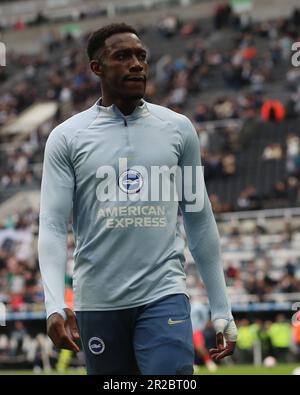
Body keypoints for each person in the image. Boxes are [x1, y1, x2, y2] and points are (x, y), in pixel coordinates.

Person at [38, 23, 237, 375]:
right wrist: (54, 304)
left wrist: (221, 308)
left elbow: (199, 218)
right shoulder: (66, 138)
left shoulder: (178, 129)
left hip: (164, 295)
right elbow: (53, 226)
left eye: (141, 56)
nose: (136, 64)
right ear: (97, 68)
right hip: (97, 303)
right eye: (123, 56)